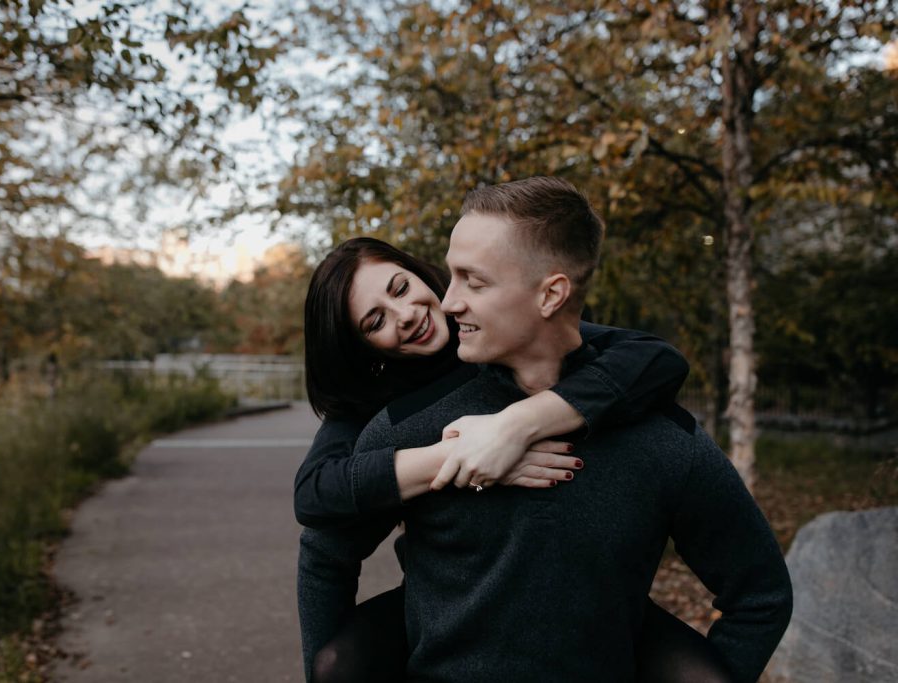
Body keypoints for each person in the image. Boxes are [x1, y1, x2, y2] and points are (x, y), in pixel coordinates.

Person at [298, 178, 792, 682]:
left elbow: (761, 595)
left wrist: (514, 427)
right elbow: (320, 521)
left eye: (472, 280)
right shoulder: (397, 418)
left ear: (551, 294)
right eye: (375, 321)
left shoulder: (660, 432)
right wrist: (451, 458)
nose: (440, 305)